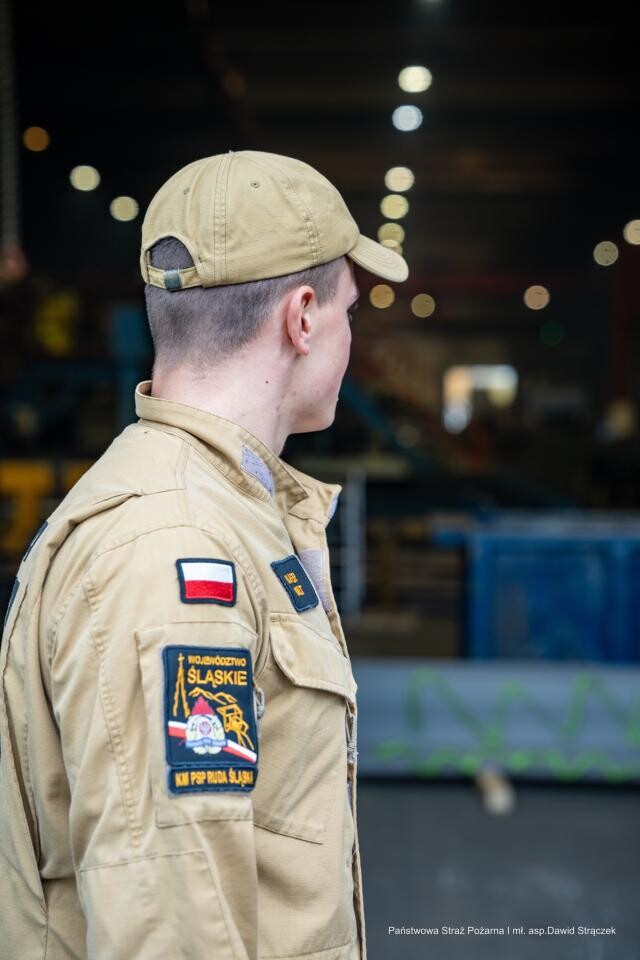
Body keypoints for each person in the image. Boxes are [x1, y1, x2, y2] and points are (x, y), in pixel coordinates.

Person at [0, 150, 408, 960]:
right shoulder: (177, 552)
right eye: (350, 313)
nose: (351, 337)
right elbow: (170, 925)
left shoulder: (218, 511)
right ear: (302, 318)